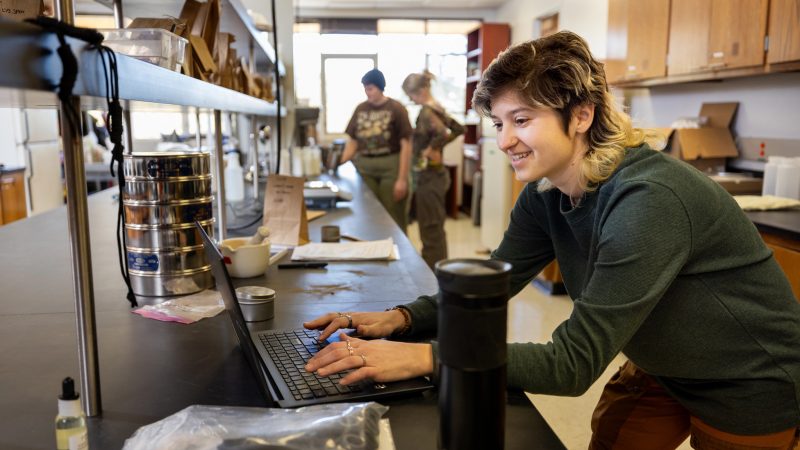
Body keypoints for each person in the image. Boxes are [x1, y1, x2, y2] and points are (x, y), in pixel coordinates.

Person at [304, 31, 800, 449]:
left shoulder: (650, 199)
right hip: (662, 364)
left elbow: (572, 363)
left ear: (581, 115)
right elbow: (491, 283)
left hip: (748, 378)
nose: (504, 141)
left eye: (522, 120)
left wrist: (425, 356)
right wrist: (402, 319)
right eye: (499, 123)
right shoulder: (548, 193)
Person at [402, 71, 464, 270]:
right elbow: (457, 129)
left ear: (420, 91)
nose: (410, 99)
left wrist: (433, 148)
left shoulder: (428, 111)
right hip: (431, 175)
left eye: (411, 94)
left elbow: (453, 130)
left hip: (430, 177)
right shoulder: (434, 108)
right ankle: (437, 271)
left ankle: (431, 276)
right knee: (433, 227)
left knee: (430, 229)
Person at [341, 69, 414, 232]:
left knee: (393, 213)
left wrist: (402, 179)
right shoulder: (360, 109)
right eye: (365, 88)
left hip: (391, 165)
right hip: (365, 166)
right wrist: (338, 163)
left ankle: (398, 251)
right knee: (367, 213)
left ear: (380, 88)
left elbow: (406, 145)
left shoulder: (396, 108)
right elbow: (352, 142)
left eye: (370, 88)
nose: (367, 92)